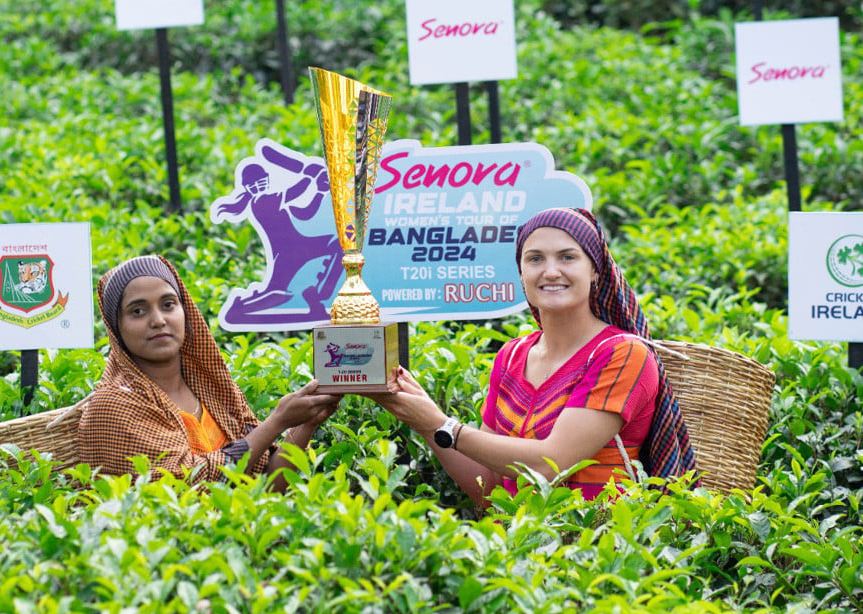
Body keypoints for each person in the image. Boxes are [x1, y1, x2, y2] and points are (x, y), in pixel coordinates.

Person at [373, 207, 696, 506]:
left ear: (596, 270)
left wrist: (443, 425)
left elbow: (549, 463)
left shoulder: (623, 354)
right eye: (535, 259)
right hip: (516, 549)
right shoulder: (511, 356)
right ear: (521, 272)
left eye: (568, 257)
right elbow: (490, 489)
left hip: (598, 552)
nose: (551, 271)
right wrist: (424, 421)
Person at [77, 255, 341, 490]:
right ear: (117, 327)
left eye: (168, 304)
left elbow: (268, 484)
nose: (158, 320)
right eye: (137, 311)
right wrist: (276, 423)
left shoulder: (214, 390)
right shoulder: (113, 404)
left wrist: (307, 421)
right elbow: (187, 486)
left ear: (185, 312)